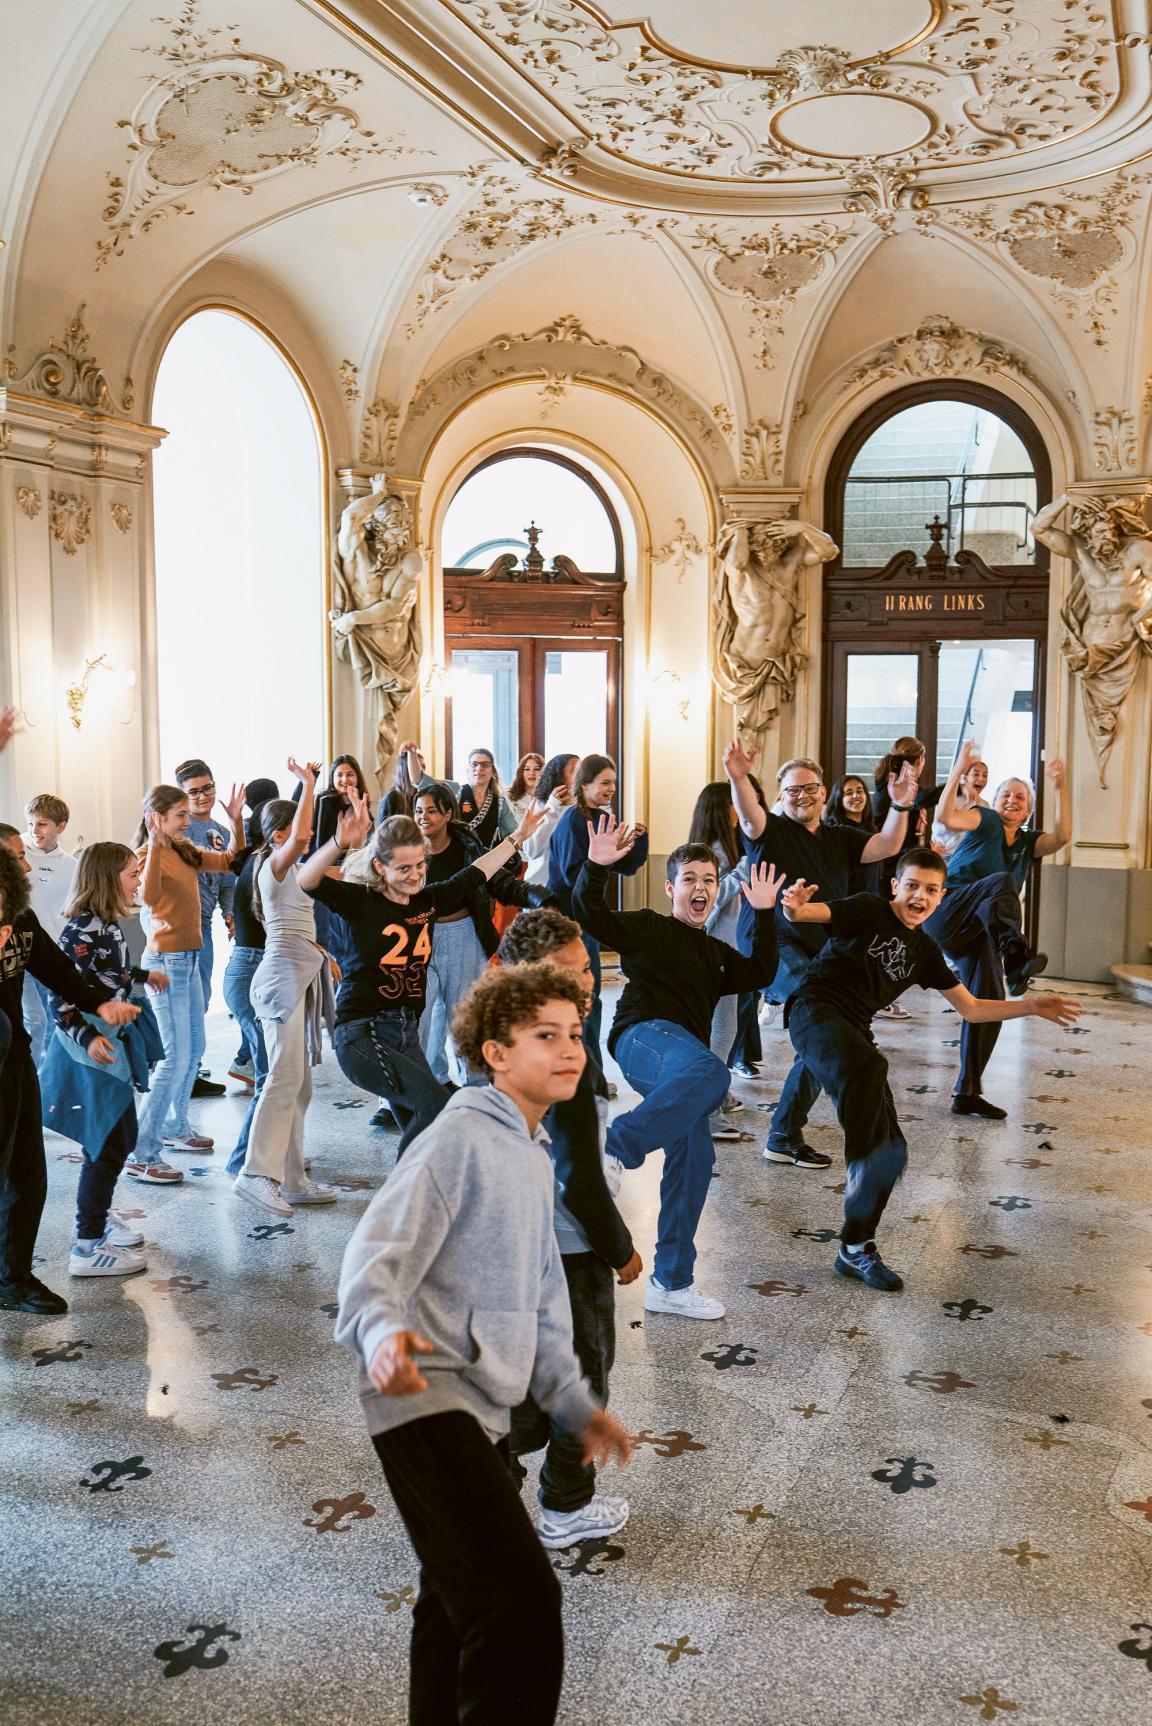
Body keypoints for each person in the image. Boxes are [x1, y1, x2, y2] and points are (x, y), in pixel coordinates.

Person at [335, 961, 632, 1726]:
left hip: (483, 1405)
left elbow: (541, 1301)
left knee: (453, 1598)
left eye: (575, 1035)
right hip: (423, 1393)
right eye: (546, 1036)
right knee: (522, 1601)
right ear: (495, 1052)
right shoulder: (459, 1138)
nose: (571, 1050)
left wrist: (575, 1405)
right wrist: (380, 1331)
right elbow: (376, 1252)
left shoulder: (532, 1158)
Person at [779, 850, 1082, 1291]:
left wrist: (1032, 1005)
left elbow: (974, 1009)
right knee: (870, 1070)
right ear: (895, 887)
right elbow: (808, 911)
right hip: (814, 1010)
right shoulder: (867, 909)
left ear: (942, 897)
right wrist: (794, 904)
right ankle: (863, 1163)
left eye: (931, 890)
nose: (920, 896)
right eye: (912, 886)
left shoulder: (925, 952)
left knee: (892, 1146)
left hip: (855, 1028)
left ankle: (855, 1246)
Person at [573, 815, 783, 1320]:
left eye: (709, 881)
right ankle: (616, 1147)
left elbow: (762, 971)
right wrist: (597, 867)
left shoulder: (715, 952)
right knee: (714, 1072)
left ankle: (670, 1283)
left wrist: (764, 913)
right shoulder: (648, 926)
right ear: (671, 888)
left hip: (683, 1065)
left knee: (694, 1161)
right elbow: (590, 914)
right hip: (642, 1038)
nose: (700, 888)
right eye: (689, 879)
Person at [499, 909, 641, 1548]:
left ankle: (492, 1503)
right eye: (571, 972)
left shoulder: (499, 1040)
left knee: (511, 1379)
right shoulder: (563, 1056)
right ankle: (564, 1507)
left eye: (588, 968)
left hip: (512, 1244)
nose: (587, 981)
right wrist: (621, 1248)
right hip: (570, 1248)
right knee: (582, 1375)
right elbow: (581, 1178)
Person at [298, 796, 546, 1154]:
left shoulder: (426, 902)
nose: (414, 875)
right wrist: (337, 842)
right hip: (363, 1035)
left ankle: (421, 1197)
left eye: (419, 866)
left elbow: (474, 873)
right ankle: (406, 1197)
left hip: (405, 1034)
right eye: (404, 869)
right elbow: (307, 880)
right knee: (435, 1110)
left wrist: (517, 837)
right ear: (381, 867)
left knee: (427, 1134)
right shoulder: (361, 901)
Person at [725, 740, 920, 1169]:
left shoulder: (837, 837)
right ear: (780, 797)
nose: (802, 796)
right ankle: (784, 1132)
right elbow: (749, 815)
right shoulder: (769, 831)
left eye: (809, 788)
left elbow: (886, 846)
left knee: (825, 1032)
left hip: (820, 947)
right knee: (824, 1021)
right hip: (772, 943)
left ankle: (783, 1135)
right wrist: (739, 777)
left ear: (822, 791)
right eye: (792, 790)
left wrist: (901, 806)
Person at [0, 833, 140, 1315]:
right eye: (16, 860)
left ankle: (12, 1278)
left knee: (28, 1177)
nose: (25, 868)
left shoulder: (21, 920)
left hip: (13, 1062)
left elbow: (58, 972)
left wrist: (99, 1004)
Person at [40, 843, 168, 1276]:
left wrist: (145, 976)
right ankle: (87, 1245)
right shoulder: (80, 930)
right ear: (108, 878)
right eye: (133, 873)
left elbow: (110, 974)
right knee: (108, 1142)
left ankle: (99, 1216)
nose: (138, 881)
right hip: (91, 1048)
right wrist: (88, 1035)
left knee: (121, 1138)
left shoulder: (110, 924)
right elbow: (58, 996)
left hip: (110, 1042)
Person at [926, 739, 1072, 1118]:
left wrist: (1061, 786)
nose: (1011, 800)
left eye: (1020, 797)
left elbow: (1063, 837)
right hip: (948, 910)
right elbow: (945, 818)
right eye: (1006, 794)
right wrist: (958, 768)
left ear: (1029, 809)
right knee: (1002, 882)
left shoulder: (1027, 842)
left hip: (978, 933)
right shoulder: (985, 819)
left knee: (989, 1005)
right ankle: (1016, 957)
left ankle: (967, 1092)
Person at [233, 764, 337, 1218]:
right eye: (296, 829)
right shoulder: (271, 867)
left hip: (297, 974)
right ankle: (256, 1174)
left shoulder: (296, 869)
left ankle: (293, 1179)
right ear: (277, 834)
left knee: (301, 1086)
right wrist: (312, 785)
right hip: (278, 979)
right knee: (281, 1078)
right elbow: (300, 839)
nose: (306, 836)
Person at [133, 780, 246, 1174]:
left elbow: (231, 860)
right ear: (156, 818)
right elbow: (145, 898)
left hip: (190, 958)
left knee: (194, 1047)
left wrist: (236, 821)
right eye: (179, 815)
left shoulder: (185, 850)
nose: (187, 821)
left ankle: (175, 1126)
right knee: (172, 1057)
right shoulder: (148, 853)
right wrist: (153, 844)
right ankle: (142, 1153)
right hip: (165, 962)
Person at [413, 781, 553, 1088]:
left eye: (432, 811)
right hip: (419, 939)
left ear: (448, 814)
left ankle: (475, 1086)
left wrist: (535, 897)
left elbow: (498, 881)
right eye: (419, 811)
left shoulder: (468, 847)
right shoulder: (409, 851)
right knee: (419, 1017)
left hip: (462, 935)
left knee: (463, 1014)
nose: (424, 817)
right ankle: (418, 1087)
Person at [548, 755, 649, 1056]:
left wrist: (638, 841)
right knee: (581, 995)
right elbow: (571, 874)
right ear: (585, 784)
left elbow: (625, 868)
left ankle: (590, 1070)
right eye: (605, 782)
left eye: (614, 783)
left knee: (591, 995)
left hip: (587, 916)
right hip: (570, 920)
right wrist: (603, 859)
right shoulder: (573, 819)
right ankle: (583, 1069)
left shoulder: (601, 818)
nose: (611, 789)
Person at [687, 782, 754, 1142]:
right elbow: (705, 904)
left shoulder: (723, 849)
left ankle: (717, 1093)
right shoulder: (715, 853)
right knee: (721, 1032)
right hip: (715, 953)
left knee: (719, 1029)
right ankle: (708, 1112)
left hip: (725, 950)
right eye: (734, 803)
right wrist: (743, 871)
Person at [174, 758, 237, 1098]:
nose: (201, 797)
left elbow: (227, 879)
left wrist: (230, 913)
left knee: (202, 994)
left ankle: (192, 1065)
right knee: (185, 997)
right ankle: (184, 1069)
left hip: (206, 921)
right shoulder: (179, 830)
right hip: (182, 921)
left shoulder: (223, 832)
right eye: (193, 792)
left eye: (207, 788)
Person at [20, 793, 79, 1067]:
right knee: (35, 1021)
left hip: (50, 955)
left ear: (61, 826)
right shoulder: (15, 851)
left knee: (59, 1022)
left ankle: (49, 1082)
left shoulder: (72, 866)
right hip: (18, 952)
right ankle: (29, 1082)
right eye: (31, 823)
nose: (35, 830)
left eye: (42, 824)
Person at [520, 753, 577, 889]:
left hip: (571, 888)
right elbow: (532, 851)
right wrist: (552, 807)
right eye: (574, 770)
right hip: (541, 886)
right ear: (560, 777)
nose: (581, 774)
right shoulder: (540, 805)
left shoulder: (583, 808)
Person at [507, 753, 545, 819]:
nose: (532, 773)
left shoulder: (550, 798)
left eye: (537, 769)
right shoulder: (507, 795)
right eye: (527, 769)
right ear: (521, 772)